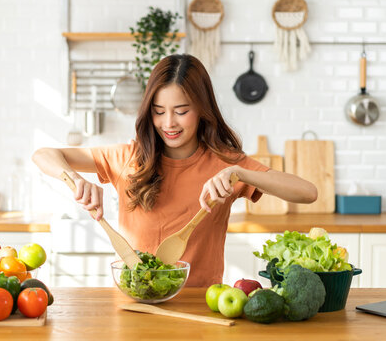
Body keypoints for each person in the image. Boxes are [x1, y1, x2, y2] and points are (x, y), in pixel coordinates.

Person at [32, 54, 317, 287]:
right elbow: (44, 155)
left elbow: (308, 193)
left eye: (181, 111)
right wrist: (76, 179)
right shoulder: (128, 157)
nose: (169, 123)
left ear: (203, 109)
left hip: (201, 307)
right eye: (158, 111)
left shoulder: (226, 165)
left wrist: (240, 173)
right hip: (136, 303)